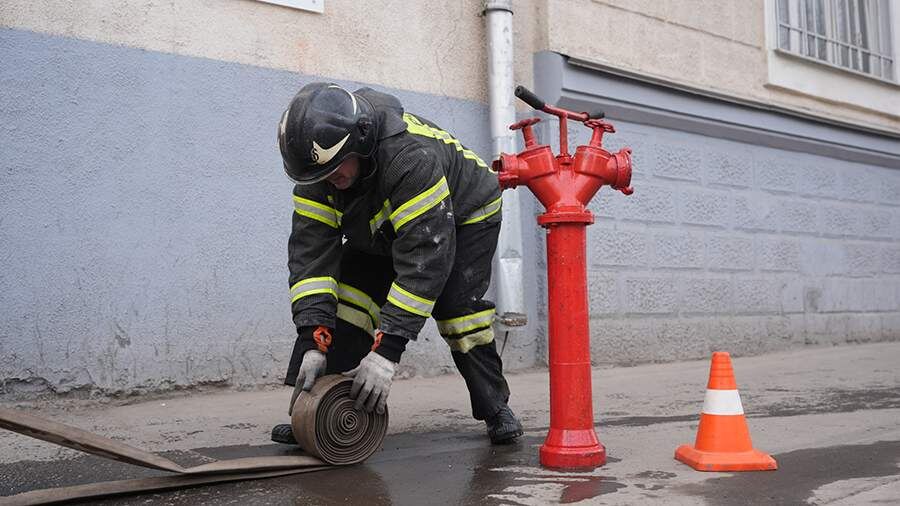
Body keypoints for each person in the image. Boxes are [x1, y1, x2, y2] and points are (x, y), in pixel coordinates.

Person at [270, 82, 522, 446]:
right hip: (386, 221)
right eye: (321, 178)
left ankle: (495, 407)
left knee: (458, 313)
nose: (329, 184)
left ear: (359, 144)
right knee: (351, 299)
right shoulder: (320, 171)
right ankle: (319, 411)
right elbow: (311, 259)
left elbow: (424, 262)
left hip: (464, 214)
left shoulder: (409, 160)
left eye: (336, 173)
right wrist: (313, 339)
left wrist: (386, 354)